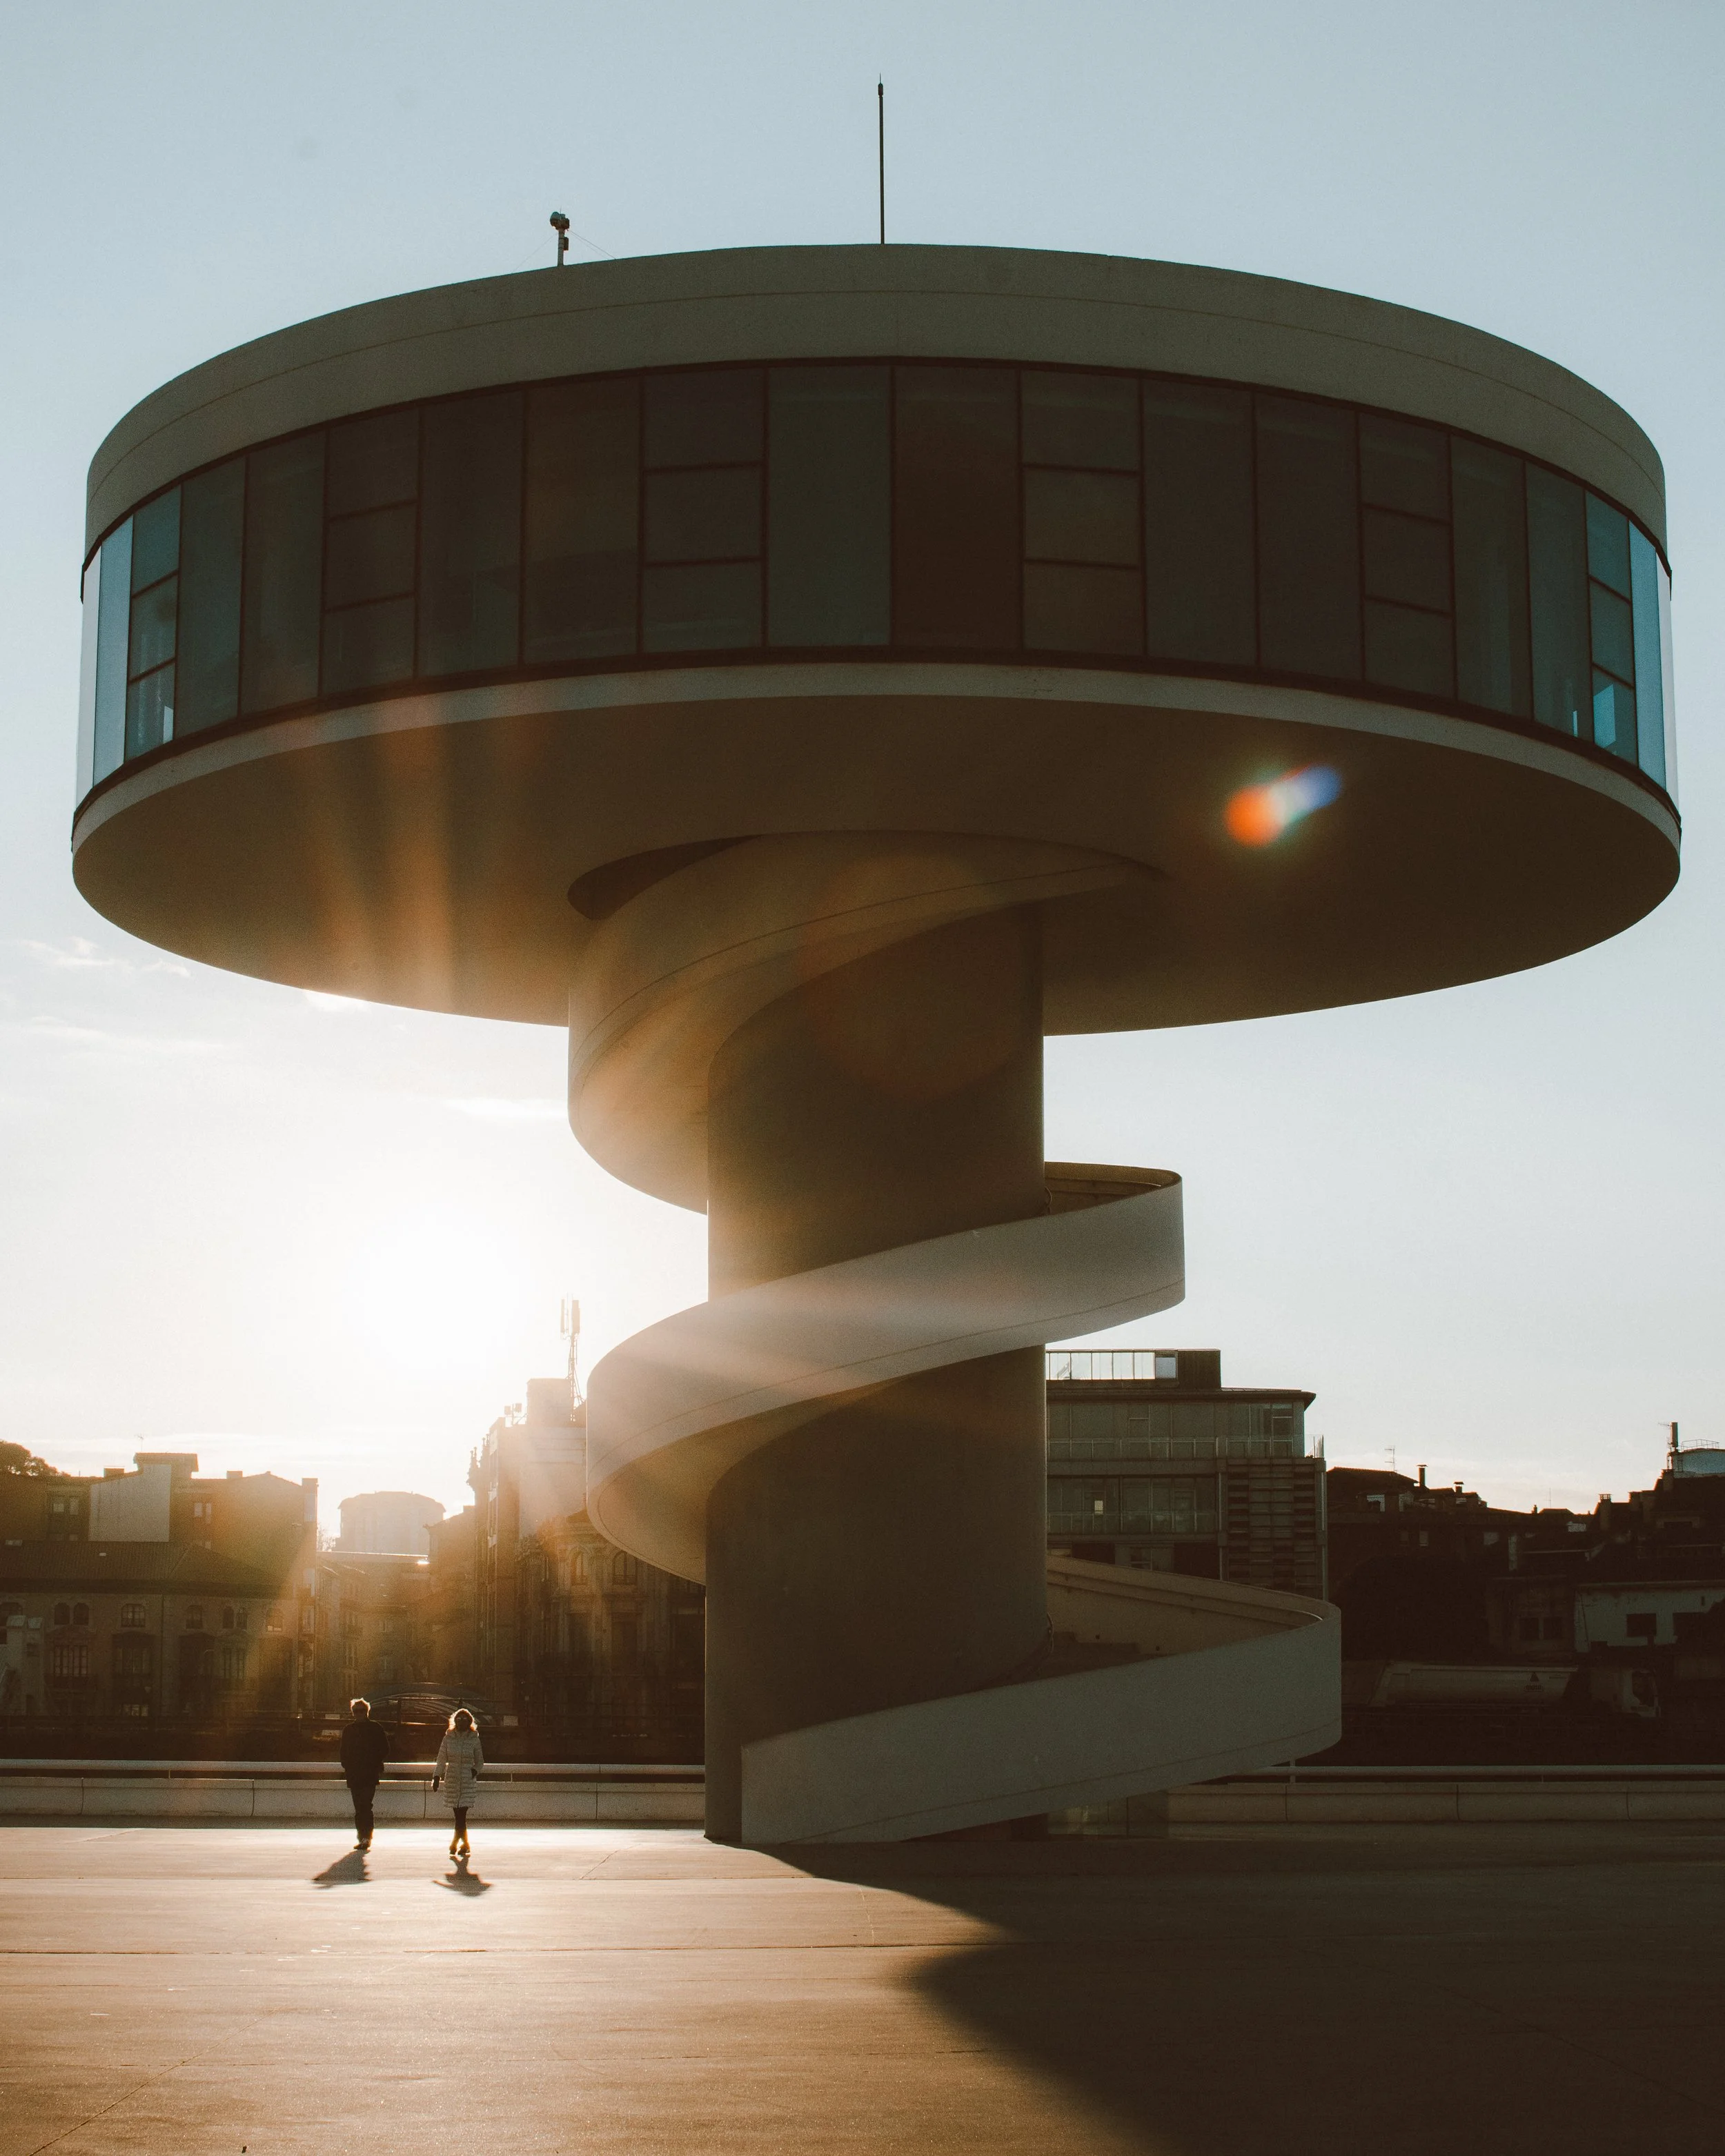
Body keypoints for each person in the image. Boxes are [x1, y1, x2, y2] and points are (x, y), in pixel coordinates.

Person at [339, 1697, 390, 1850]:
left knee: (365, 1805)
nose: (358, 1714)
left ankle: (366, 1837)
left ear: (366, 1712)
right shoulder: (349, 1730)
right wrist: (347, 1765)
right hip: (355, 1774)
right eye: (356, 1712)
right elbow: (343, 1751)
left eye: (361, 1711)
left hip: (368, 1773)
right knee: (359, 1807)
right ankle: (363, 1837)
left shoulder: (375, 1728)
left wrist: (373, 1762)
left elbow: (385, 1748)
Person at [433, 1707, 484, 1857]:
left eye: (464, 1720)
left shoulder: (474, 1738)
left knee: (461, 1815)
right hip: (453, 1779)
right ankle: (465, 1844)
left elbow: (480, 1761)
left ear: (470, 1722)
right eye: (458, 1719)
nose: (461, 1722)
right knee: (458, 1815)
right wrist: (437, 1777)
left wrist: (474, 1771)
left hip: (467, 1780)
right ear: (454, 1721)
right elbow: (441, 1759)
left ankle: (455, 1843)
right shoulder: (448, 1738)